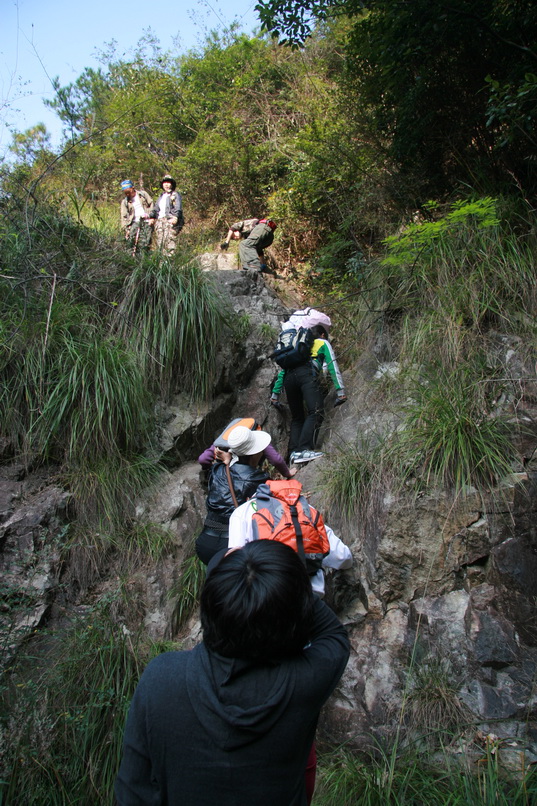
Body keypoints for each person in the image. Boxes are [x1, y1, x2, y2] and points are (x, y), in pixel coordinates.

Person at [115, 540, 350, 806]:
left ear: (209, 607)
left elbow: (133, 789)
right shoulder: (305, 683)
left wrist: (232, 571)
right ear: (296, 618)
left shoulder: (161, 678)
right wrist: (278, 577)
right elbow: (332, 634)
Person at [228, 480, 353, 597]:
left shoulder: (242, 512)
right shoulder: (306, 510)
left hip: (266, 596)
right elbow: (342, 557)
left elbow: (235, 563)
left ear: (248, 497)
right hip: (310, 595)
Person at [271, 324, 347, 464]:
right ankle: (304, 449)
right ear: (322, 335)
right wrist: (340, 391)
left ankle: (294, 453)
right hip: (306, 375)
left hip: (289, 379)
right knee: (316, 411)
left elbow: (283, 372)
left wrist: (275, 395)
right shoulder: (322, 342)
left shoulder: (297, 347)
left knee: (297, 418)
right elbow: (331, 365)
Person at [195, 426, 270, 564]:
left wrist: (227, 461)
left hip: (205, 541)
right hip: (231, 544)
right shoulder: (259, 478)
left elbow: (207, 461)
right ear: (254, 453)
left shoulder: (217, 469)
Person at [151, 174, 183, 255]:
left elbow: (178, 207)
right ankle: (162, 264)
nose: (166, 184)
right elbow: (156, 209)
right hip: (160, 222)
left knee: (169, 241)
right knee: (160, 243)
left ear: (172, 184)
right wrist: (152, 217)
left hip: (169, 220)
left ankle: (170, 262)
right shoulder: (161, 196)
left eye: (169, 182)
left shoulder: (175, 194)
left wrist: (175, 217)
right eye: (165, 182)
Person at [120, 179, 155, 254]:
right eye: (125, 193)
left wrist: (152, 218)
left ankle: (144, 260)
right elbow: (124, 216)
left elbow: (152, 205)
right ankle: (132, 260)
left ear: (133, 188)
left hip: (146, 221)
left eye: (129, 191)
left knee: (145, 243)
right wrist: (126, 229)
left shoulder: (143, 195)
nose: (128, 194)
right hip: (134, 223)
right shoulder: (125, 202)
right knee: (131, 243)